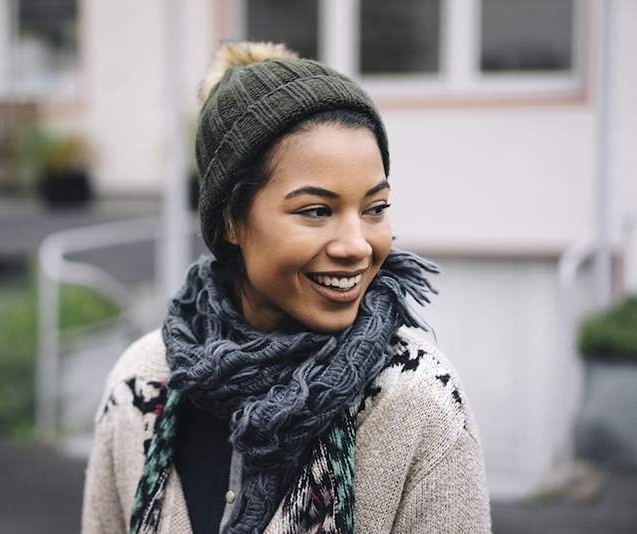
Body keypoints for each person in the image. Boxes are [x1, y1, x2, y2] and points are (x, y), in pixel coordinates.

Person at [82, 41, 491, 534]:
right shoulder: (141, 386)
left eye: (374, 208)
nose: (357, 246)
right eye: (316, 211)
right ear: (231, 220)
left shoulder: (416, 399)